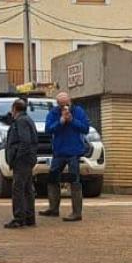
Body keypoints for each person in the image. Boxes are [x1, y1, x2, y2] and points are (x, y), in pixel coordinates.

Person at [43, 93, 90, 222]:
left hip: (74, 152)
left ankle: (76, 212)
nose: (65, 107)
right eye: (61, 104)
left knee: (74, 181)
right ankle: (53, 208)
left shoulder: (78, 111)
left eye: (66, 104)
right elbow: (48, 129)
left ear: (70, 101)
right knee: (52, 179)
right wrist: (61, 121)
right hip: (59, 152)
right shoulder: (53, 113)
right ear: (57, 104)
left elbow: (85, 128)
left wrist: (72, 121)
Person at [2, 95, 39, 229]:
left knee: (18, 189)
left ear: (14, 109)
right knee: (27, 188)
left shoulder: (21, 121)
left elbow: (25, 141)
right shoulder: (26, 119)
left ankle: (19, 218)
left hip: (22, 161)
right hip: (27, 159)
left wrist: (17, 156)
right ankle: (29, 217)